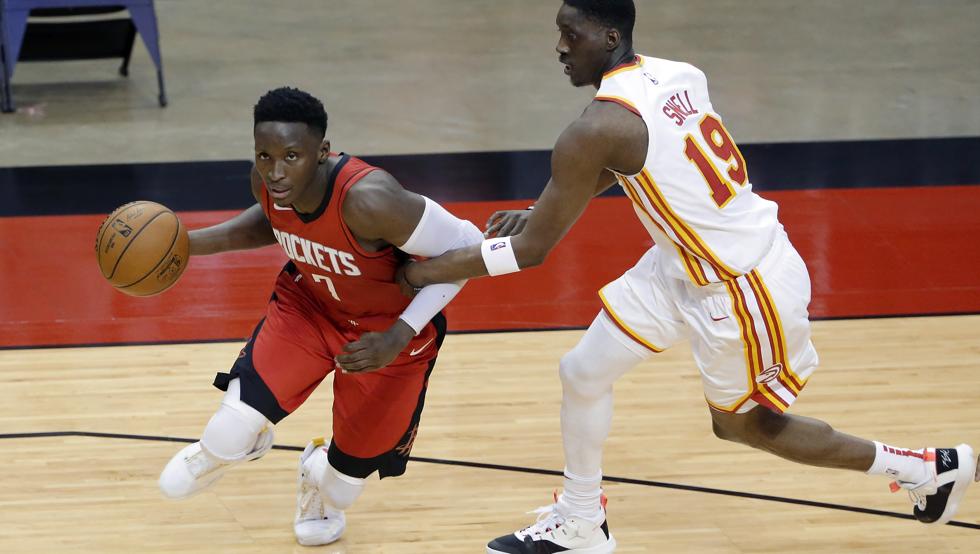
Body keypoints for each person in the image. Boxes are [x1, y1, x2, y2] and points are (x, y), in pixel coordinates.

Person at [399, 2, 978, 552]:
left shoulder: (596, 127)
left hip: (740, 284)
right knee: (582, 371)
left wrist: (425, 272)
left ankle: (927, 469)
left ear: (609, 37)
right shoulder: (678, 74)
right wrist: (549, 207)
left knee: (745, 427)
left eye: (570, 34)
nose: (559, 47)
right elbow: (643, 160)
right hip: (679, 262)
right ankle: (581, 520)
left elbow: (530, 254)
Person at [156, 86, 483, 546]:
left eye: (292, 156)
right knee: (224, 435)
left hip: (388, 336)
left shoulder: (370, 199)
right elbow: (271, 220)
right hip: (309, 310)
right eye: (264, 156)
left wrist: (397, 335)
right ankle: (240, 438)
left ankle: (316, 472)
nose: (275, 171)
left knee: (343, 491)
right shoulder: (267, 182)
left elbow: (469, 248)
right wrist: (185, 245)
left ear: (323, 152)